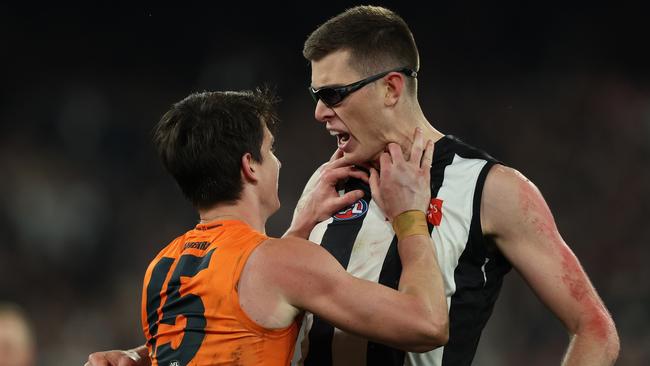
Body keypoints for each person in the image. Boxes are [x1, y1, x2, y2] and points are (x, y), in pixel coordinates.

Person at [86, 5, 620, 366]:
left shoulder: (491, 188)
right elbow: (262, 315)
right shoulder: (328, 184)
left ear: (391, 88)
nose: (319, 113)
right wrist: (143, 356)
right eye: (317, 94)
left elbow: (595, 329)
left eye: (335, 93)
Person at [87, 88, 448, 366]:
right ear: (251, 166)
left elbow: (210, 339)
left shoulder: (162, 267)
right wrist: (409, 216)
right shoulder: (283, 264)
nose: (278, 160)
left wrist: (137, 357)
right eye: (270, 148)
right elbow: (427, 324)